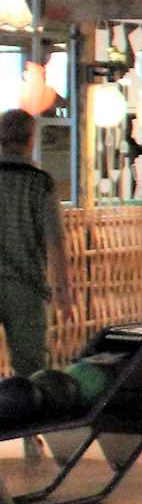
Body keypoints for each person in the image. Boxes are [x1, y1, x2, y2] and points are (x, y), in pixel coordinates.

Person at [0, 110, 67, 458]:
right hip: (25, 288)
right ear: (31, 139)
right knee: (30, 369)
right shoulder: (40, 183)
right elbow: (55, 241)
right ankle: (30, 437)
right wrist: (64, 290)